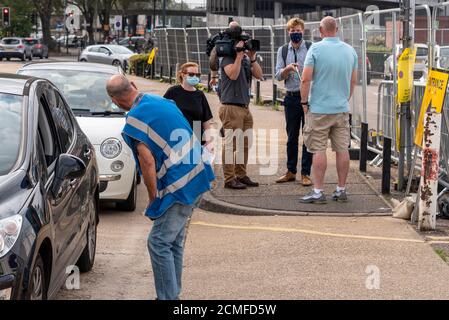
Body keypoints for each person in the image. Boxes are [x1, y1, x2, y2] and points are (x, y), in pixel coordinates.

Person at [106, 75, 215, 300]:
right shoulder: (163, 101)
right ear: (134, 86)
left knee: (158, 242)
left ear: (115, 101)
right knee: (172, 240)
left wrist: (153, 197)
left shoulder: (134, 121)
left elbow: (147, 162)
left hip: (180, 184)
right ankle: (172, 293)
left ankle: (168, 298)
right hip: (198, 175)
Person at [299, 16, 358, 204]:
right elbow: (353, 80)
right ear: (337, 29)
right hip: (341, 109)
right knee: (342, 149)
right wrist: (344, 99)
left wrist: (304, 103)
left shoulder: (315, 49)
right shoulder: (351, 51)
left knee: (318, 149)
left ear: (320, 30)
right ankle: (341, 189)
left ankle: (318, 191)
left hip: (319, 109)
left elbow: (306, 79)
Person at [218, 23, 264, 189]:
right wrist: (238, 56)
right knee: (231, 144)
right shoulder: (227, 58)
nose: (244, 45)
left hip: (244, 107)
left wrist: (251, 58)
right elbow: (233, 74)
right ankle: (229, 179)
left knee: (245, 143)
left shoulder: (244, 58)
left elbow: (259, 75)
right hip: (231, 107)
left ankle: (241, 174)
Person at [274, 17, 313, 186]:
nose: (295, 33)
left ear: (303, 31)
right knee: (291, 136)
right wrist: (288, 69)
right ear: (288, 32)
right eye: (292, 30)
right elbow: (277, 76)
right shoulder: (283, 51)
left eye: (298, 30)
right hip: (291, 98)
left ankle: (306, 173)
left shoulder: (311, 48)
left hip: (310, 98)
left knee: (308, 136)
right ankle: (290, 171)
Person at [164, 62, 214, 149]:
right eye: (191, 74)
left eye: (197, 74)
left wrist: (209, 142)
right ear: (183, 75)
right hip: (177, 138)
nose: (195, 77)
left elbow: (206, 121)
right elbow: (162, 114)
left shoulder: (200, 95)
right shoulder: (173, 92)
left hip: (196, 140)